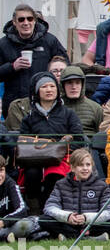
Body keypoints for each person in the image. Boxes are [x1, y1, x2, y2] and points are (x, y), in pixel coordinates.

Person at [16, 72, 84, 211]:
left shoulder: (68, 114)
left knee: (54, 174)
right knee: (31, 174)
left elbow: (79, 139)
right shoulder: (29, 118)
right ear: (36, 91)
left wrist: (60, 148)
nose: (49, 90)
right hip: (35, 158)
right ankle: (34, 209)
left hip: (61, 158)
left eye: (52, 86)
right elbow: (23, 141)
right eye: (44, 87)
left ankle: (50, 208)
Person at [0, 4, 69, 118]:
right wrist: (12, 66)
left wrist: (56, 71)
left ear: (35, 21)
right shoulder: (4, 44)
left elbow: (66, 64)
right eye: (21, 19)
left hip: (46, 103)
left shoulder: (49, 40)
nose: (26, 23)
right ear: (14, 22)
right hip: (15, 105)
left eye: (30, 19)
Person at [43, 147, 110, 239]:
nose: (85, 168)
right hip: (68, 224)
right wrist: (67, 216)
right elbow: (49, 207)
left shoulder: (102, 185)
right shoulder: (61, 184)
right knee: (44, 220)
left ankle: (71, 236)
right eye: (81, 165)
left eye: (88, 165)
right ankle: (85, 237)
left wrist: (87, 218)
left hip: (91, 225)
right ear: (72, 168)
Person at [58, 65, 103, 133]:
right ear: (62, 86)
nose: (74, 87)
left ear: (83, 85)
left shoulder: (96, 108)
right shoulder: (56, 108)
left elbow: (102, 136)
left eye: (77, 83)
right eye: (69, 83)